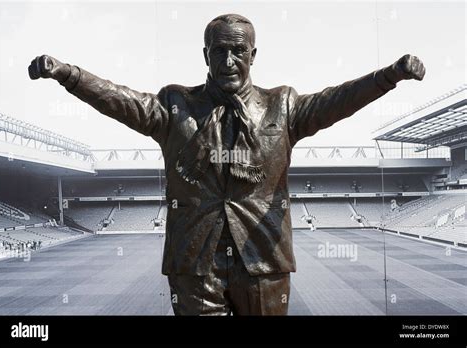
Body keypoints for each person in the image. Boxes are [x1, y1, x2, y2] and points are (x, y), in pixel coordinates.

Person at [28, 14, 425, 315]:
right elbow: (121, 99)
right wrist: (69, 75)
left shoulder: (283, 106)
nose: (229, 60)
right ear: (206, 54)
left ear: (253, 55)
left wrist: (389, 76)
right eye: (220, 50)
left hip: (263, 261)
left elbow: (338, 100)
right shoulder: (174, 105)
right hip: (194, 264)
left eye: (239, 51)